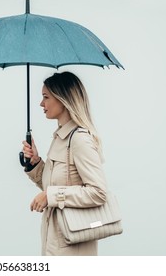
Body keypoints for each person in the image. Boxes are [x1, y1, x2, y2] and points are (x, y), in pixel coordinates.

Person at [21, 71, 107, 256]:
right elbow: (54, 185)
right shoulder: (61, 139)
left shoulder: (79, 140)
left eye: (46, 97)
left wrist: (51, 196)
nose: (41, 104)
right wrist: (35, 163)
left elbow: (98, 193)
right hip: (54, 244)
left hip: (73, 249)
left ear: (63, 99)